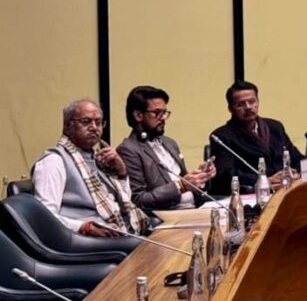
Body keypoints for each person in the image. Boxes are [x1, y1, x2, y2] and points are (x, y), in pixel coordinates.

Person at [31, 99, 146, 236]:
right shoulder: (54, 161)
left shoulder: (99, 158)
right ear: (67, 126)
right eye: (86, 122)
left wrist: (122, 172)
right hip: (84, 239)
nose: (94, 127)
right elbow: (44, 216)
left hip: (119, 229)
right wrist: (85, 227)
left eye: (98, 122)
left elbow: (124, 203)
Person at [116, 86, 216, 210]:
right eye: (157, 113)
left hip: (194, 207)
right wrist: (181, 186)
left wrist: (199, 177)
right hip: (167, 215)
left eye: (164, 113)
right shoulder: (128, 150)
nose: (163, 118)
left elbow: (185, 183)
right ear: (138, 115)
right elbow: (138, 200)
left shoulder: (169, 143)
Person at [209, 81, 303, 195]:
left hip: (286, 190)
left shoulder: (275, 127)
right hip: (254, 193)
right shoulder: (222, 136)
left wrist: (297, 173)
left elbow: (296, 157)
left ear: (258, 102)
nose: (248, 107)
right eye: (241, 104)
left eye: (252, 101)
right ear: (230, 108)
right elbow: (225, 174)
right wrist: (263, 181)